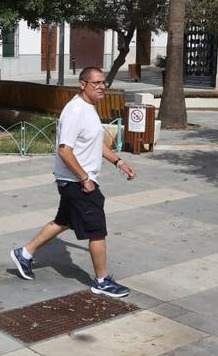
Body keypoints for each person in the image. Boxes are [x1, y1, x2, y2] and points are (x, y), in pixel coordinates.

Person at [10, 66, 137, 298]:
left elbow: (95, 143)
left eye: (103, 83)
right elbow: (65, 150)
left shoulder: (90, 109)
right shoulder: (75, 111)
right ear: (82, 84)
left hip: (75, 180)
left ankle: (24, 254)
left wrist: (118, 162)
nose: (101, 87)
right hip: (76, 182)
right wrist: (84, 178)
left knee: (63, 221)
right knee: (97, 230)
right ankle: (101, 281)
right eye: (96, 83)